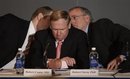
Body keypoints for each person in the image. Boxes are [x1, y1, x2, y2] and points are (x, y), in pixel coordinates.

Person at [69, 6, 130, 70]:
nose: (71, 22)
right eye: (69, 19)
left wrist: (121, 56)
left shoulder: (102, 26)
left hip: (117, 70)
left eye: (74, 17)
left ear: (87, 18)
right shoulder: (73, 36)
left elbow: (127, 36)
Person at [25, 10, 89, 69]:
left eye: (62, 29)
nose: (58, 33)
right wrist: (51, 63)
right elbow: (31, 62)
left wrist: (60, 64)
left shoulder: (80, 36)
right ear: (50, 26)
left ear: (69, 25)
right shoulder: (41, 36)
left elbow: (84, 64)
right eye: (55, 29)